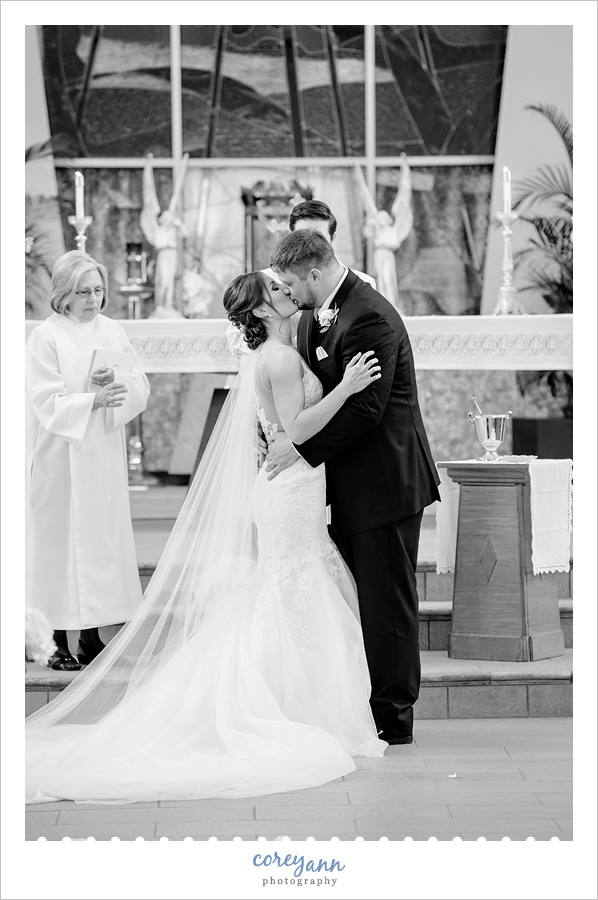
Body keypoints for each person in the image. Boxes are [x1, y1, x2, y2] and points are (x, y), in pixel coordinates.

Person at [26, 270, 386, 805]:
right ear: (262, 312)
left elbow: (275, 425)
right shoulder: (281, 357)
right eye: (279, 292)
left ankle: (284, 698)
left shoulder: (283, 348)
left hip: (293, 486)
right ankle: (281, 704)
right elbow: (297, 428)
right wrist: (347, 389)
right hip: (291, 488)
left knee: (289, 588)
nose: (290, 293)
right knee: (291, 585)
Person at [266, 229, 441, 745]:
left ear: (315, 273)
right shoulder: (317, 315)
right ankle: (363, 706)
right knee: (363, 601)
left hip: (385, 484)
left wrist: (297, 450)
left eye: (292, 282)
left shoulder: (368, 315)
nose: (288, 292)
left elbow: (367, 411)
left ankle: (394, 718)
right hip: (349, 485)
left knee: (388, 605)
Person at [25, 250, 151, 671]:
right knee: (59, 544)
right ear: (64, 293)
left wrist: (115, 385)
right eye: (83, 292)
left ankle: (91, 636)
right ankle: (56, 639)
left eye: (98, 290)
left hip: (100, 452)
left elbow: (139, 383)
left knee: (98, 541)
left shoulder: (112, 330)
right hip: (59, 454)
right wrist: (90, 398)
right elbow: (44, 399)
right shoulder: (46, 337)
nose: (93, 299)